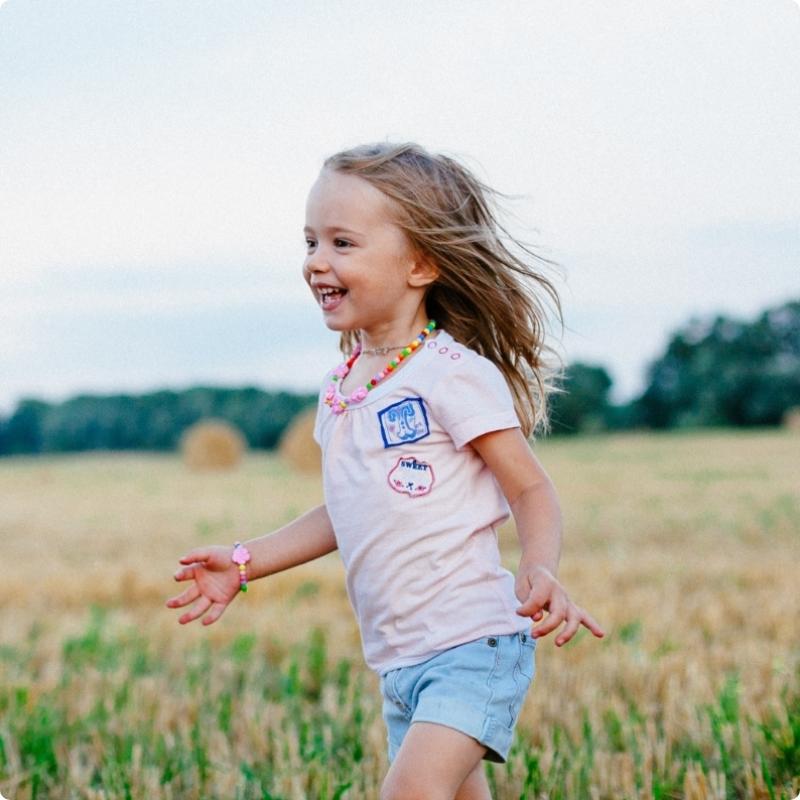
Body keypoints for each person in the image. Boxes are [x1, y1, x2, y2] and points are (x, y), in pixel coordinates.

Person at [166, 142, 604, 800]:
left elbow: (529, 486)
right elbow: (345, 510)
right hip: (400, 662)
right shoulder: (342, 387)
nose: (317, 261)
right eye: (310, 241)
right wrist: (245, 560)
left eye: (343, 243)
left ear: (421, 263)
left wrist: (539, 566)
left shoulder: (453, 375)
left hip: (472, 646)